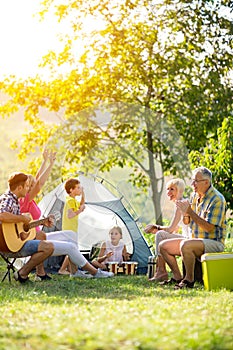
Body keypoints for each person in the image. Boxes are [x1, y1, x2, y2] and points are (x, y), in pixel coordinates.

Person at [159, 167, 226, 289]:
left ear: (206, 182)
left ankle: (188, 280)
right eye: (192, 180)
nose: (192, 184)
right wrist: (185, 213)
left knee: (186, 245)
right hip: (194, 240)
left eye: (196, 181)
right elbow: (187, 221)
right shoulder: (194, 196)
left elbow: (209, 228)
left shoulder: (217, 199)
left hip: (213, 242)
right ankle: (177, 277)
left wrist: (190, 211)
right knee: (163, 246)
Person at [0, 172, 54, 283]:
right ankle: (22, 273)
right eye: (27, 186)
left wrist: (41, 222)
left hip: (14, 242)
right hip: (8, 247)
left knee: (40, 235)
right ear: (20, 187)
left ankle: (38, 273)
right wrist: (22, 218)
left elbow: (18, 227)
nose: (28, 189)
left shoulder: (14, 200)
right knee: (49, 247)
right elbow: (2, 216)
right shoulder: (8, 199)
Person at [19, 148, 57, 280]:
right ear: (27, 187)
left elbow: (36, 179)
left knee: (41, 235)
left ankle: (40, 272)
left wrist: (44, 161)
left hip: (34, 230)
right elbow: (39, 183)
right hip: (27, 233)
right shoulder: (26, 199)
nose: (35, 185)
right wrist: (51, 164)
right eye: (31, 185)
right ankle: (36, 272)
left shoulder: (29, 199)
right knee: (41, 236)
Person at [144, 178, 190, 282]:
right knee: (160, 234)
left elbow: (170, 230)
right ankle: (166, 273)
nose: (169, 192)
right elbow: (175, 229)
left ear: (180, 191)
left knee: (160, 234)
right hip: (186, 237)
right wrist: (156, 229)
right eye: (167, 189)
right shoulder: (179, 204)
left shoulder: (180, 204)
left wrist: (156, 227)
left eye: (172, 189)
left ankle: (161, 272)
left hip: (189, 239)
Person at [58, 178, 85, 275]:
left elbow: (81, 204)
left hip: (72, 229)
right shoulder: (70, 201)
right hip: (70, 230)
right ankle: (63, 269)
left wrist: (83, 194)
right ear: (71, 190)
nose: (80, 189)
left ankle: (71, 270)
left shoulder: (73, 200)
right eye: (78, 188)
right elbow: (70, 215)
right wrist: (80, 211)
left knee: (72, 249)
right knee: (72, 250)